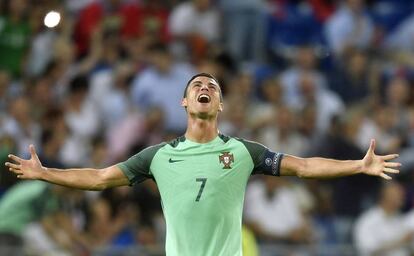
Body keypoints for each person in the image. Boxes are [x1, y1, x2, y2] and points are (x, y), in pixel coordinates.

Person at [5, 73, 401, 256]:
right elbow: (100, 177)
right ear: (184, 102)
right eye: (197, 85)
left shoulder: (244, 151)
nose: (205, 87)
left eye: (213, 85)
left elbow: (302, 166)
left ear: (221, 104)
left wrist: (357, 165)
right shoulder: (158, 155)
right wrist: (45, 173)